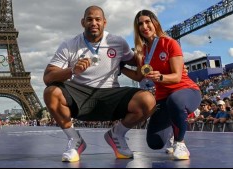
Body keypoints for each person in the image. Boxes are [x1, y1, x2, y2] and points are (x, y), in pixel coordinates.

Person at [43, 6, 156, 162]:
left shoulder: (117, 42)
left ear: (105, 22)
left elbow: (140, 61)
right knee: (51, 92)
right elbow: (48, 77)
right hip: (80, 96)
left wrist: (170, 63)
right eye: (89, 19)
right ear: (83, 22)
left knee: (148, 100)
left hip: (111, 96)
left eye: (97, 19)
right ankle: (75, 139)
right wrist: (72, 70)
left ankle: (117, 134)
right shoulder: (69, 45)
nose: (94, 23)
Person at [121, 9, 201, 160]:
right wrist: (121, 68)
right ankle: (173, 127)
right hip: (163, 98)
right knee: (154, 143)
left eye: (147, 22)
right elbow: (139, 76)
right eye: (140, 24)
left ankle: (180, 143)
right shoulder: (143, 52)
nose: (144, 26)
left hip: (186, 90)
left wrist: (161, 77)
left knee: (176, 101)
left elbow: (177, 77)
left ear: (155, 23)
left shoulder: (170, 43)